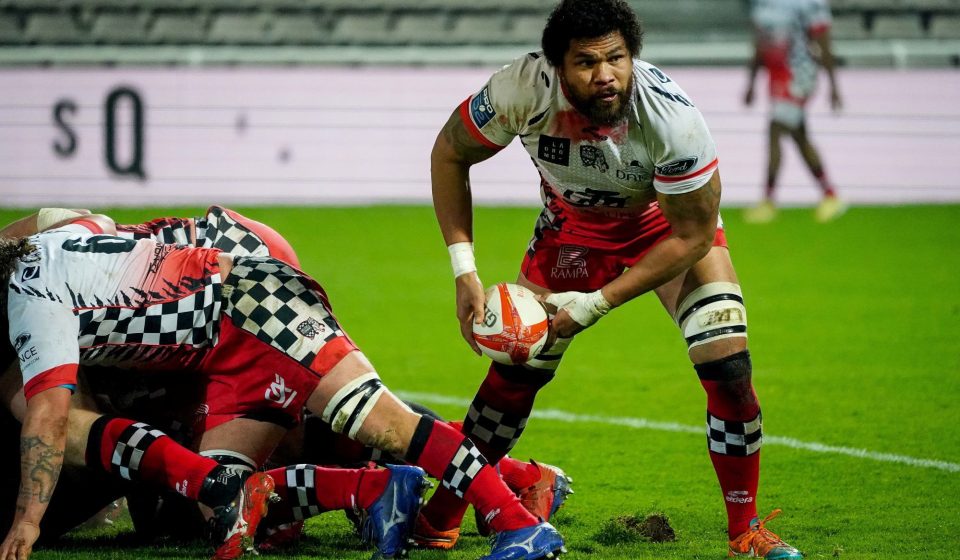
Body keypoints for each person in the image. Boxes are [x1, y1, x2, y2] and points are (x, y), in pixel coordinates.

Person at [422, 0, 802, 558]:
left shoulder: (672, 118)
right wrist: (464, 270)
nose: (605, 76)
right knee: (511, 382)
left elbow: (694, 235)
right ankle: (441, 516)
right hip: (570, 236)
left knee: (729, 370)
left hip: (665, 232)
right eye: (585, 63)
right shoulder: (519, 90)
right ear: (556, 67)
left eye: (617, 58)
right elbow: (450, 153)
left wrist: (598, 302)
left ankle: (745, 531)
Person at [0, 213, 565, 560]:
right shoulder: (56, 240)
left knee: (389, 426)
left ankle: (516, 525)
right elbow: (77, 220)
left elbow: (49, 417)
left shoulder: (29, 297)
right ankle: (377, 492)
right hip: (221, 351)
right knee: (222, 497)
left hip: (255, 305)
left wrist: (26, 523)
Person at [743, 0, 845, 223]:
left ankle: (768, 201)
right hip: (777, 74)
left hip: (800, 73)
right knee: (800, 137)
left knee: (775, 129)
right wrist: (751, 82)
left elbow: (823, 42)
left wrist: (834, 86)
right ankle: (830, 195)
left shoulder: (810, 3)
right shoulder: (762, 4)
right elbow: (761, 43)